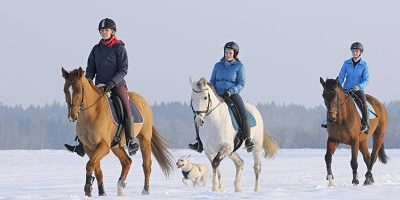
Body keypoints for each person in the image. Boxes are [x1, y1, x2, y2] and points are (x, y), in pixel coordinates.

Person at [65, 18, 139, 156]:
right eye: (102, 30)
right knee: (83, 106)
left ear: (112, 31)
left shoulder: (119, 48)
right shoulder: (96, 49)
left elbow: (123, 69)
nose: (104, 32)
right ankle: (80, 143)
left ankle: (130, 140)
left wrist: (112, 83)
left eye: (106, 30)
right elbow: (91, 69)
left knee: (124, 105)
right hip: (99, 86)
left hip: (117, 85)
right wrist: (86, 83)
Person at [189, 41, 255, 152]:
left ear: (234, 54)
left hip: (232, 94)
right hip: (217, 94)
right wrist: (212, 92)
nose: (228, 54)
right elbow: (212, 81)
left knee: (242, 112)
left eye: (230, 52)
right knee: (199, 113)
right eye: (226, 52)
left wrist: (231, 91)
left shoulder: (239, 66)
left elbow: (241, 83)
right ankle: (198, 142)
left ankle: (248, 139)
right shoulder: (218, 65)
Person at [321, 42, 370, 133]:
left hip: (358, 90)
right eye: (353, 51)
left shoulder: (364, 65)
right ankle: (329, 122)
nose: (354, 53)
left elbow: (366, 79)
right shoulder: (346, 63)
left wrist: (359, 86)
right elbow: (341, 76)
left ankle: (365, 123)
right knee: (332, 101)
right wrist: (337, 86)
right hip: (346, 89)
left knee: (363, 103)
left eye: (356, 51)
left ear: (360, 52)